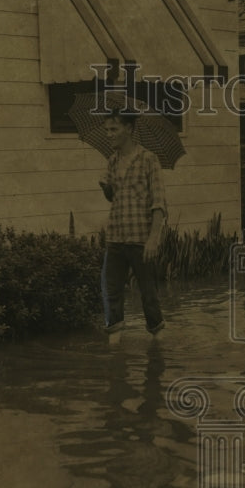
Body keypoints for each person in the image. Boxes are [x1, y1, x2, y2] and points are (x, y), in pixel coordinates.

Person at [98, 110, 167, 337]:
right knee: (111, 292)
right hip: (116, 237)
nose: (109, 134)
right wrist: (107, 189)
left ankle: (158, 345)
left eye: (114, 129)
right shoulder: (112, 161)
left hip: (140, 239)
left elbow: (158, 202)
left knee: (148, 295)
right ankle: (115, 349)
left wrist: (153, 239)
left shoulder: (148, 159)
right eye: (107, 129)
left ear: (129, 129)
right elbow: (113, 198)